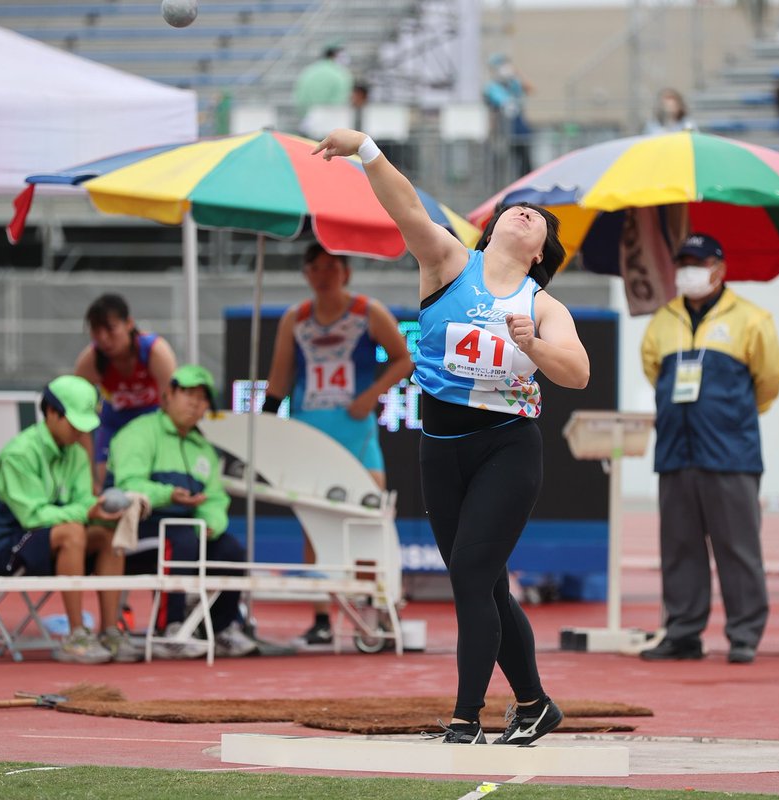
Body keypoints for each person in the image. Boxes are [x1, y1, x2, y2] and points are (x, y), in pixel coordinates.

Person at [313, 128, 590, 745]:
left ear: (541, 252)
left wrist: (533, 345)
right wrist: (365, 149)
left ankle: (466, 718)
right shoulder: (446, 261)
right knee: (486, 582)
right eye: (517, 208)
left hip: (507, 446)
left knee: (468, 574)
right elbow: (405, 205)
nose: (526, 213)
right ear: (490, 229)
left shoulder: (541, 305)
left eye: (539, 218)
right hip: (440, 449)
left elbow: (577, 372)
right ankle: (536, 704)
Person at [638, 234, 779, 665]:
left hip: (730, 452)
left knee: (737, 547)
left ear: (719, 268)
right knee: (679, 547)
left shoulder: (752, 319)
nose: (689, 269)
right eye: (682, 261)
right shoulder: (662, 320)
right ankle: (683, 632)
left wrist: (728, 419)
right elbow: (652, 371)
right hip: (675, 452)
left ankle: (744, 634)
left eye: (697, 262)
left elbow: (769, 381)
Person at [262, 244, 414, 645]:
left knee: (369, 519)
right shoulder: (294, 320)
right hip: (309, 434)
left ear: (346, 272)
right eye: (315, 267)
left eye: (332, 266)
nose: (324, 273)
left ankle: (373, 609)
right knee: (314, 526)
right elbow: (278, 381)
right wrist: (262, 428)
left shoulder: (368, 312)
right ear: (306, 274)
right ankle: (321, 618)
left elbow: (404, 360)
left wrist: (371, 396)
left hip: (357, 433)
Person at [0, 375, 136, 664]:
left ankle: (109, 631)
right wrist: (87, 511)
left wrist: (101, 509)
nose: (81, 432)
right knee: (72, 532)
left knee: (109, 534)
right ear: (52, 413)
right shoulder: (19, 454)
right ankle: (76, 636)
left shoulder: (77, 454)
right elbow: (33, 516)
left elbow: (82, 502)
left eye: (85, 425)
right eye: (75, 423)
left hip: (48, 537)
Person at [108, 365, 257, 658]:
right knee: (181, 539)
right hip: (141, 525)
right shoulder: (138, 433)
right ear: (168, 395)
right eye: (188, 394)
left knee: (231, 550)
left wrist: (210, 523)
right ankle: (170, 628)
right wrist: (167, 494)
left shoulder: (203, 448)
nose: (195, 404)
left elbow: (215, 498)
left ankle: (220, 627)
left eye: (203, 399)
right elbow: (128, 486)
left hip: (189, 527)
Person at [74, 294, 177, 491]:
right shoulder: (91, 360)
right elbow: (77, 415)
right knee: (99, 484)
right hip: (114, 421)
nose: (103, 339)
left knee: (150, 476)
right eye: (96, 331)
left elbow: (172, 406)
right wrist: (89, 474)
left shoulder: (156, 352)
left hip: (152, 418)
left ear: (129, 323)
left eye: (110, 329)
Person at [483, 54, 534, 178]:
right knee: (500, 164)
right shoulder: (492, 88)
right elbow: (501, 104)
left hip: (518, 129)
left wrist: (517, 73)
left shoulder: (513, 83)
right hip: (501, 131)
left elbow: (529, 89)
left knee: (523, 159)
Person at [293, 40, 353, 134]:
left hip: (308, 122)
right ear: (335, 55)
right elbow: (340, 102)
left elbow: (299, 98)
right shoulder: (341, 74)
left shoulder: (308, 71)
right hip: (332, 125)